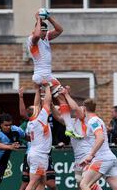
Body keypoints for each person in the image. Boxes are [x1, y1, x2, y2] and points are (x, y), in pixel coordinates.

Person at [15, 87, 72, 190]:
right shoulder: (40, 119)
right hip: (39, 155)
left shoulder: (31, 122)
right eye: (37, 109)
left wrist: (36, 89)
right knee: (33, 182)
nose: (39, 108)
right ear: (36, 112)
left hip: (35, 154)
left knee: (41, 182)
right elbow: (46, 102)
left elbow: (37, 104)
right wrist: (47, 87)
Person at [27, 10, 81, 139]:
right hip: (43, 75)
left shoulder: (45, 37)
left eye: (46, 31)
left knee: (50, 102)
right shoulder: (32, 39)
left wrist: (49, 18)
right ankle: (68, 127)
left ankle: (67, 128)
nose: (44, 33)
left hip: (44, 75)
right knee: (59, 98)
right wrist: (38, 20)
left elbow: (59, 30)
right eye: (42, 31)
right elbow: (36, 35)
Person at [61, 88, 115, 190]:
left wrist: (66, 95)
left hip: (87, 153)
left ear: (84, 109)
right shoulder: (73, 121)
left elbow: (74, 108)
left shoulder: (86, 118)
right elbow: (60, 116)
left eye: (82, 108)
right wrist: (52, 105)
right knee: (80, 181)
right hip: (79, 155)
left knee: (85, 181)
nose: (79, 110)